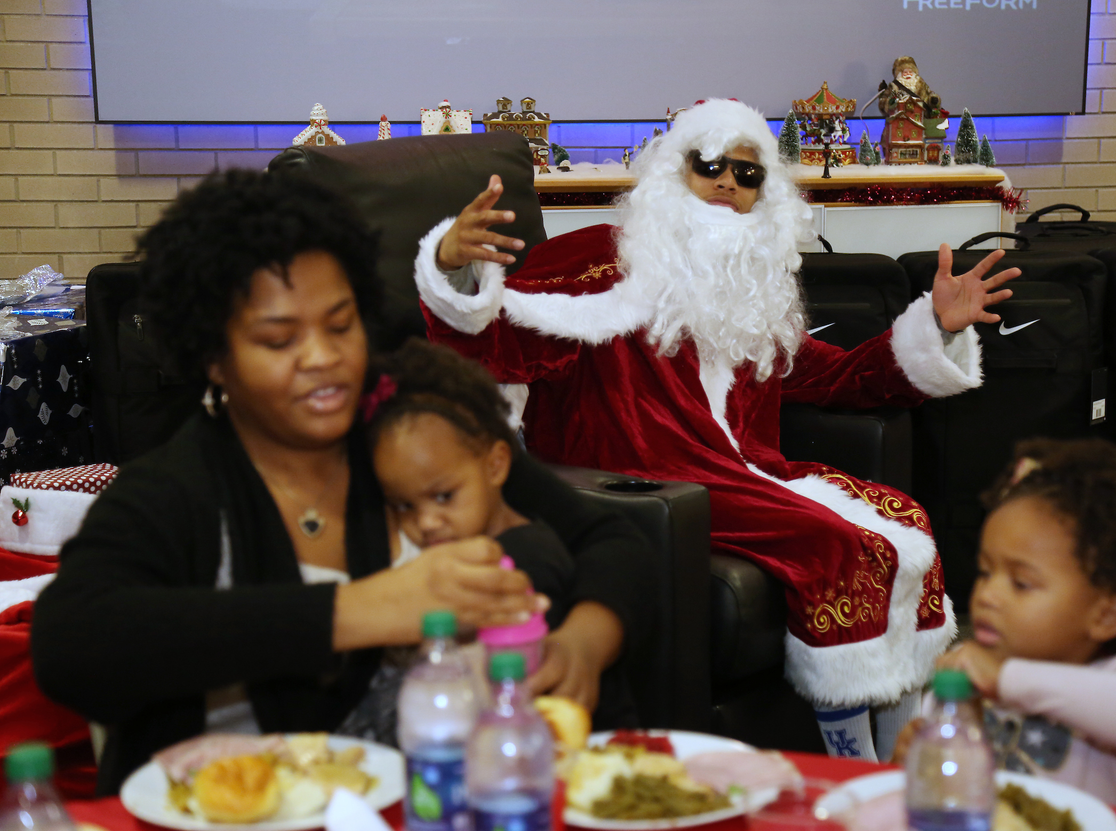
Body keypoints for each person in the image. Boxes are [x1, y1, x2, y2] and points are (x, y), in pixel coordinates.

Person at [414, 98, 1020, 759]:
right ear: (675, 171)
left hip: (743, 472)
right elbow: (496, 340)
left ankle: (904, 740)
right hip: (644, 483)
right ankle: (851, 759)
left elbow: (838, 377)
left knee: (902, 519)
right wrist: (450, 266)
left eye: (747, 171)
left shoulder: (750, 287)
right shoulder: (599, 260)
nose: (728, 181)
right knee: (838, 545)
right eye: (709, 164)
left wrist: (937, 326)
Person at [30, 169, 653, 794]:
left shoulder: (415, 419)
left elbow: (606, 540)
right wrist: (364, 610)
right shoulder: (180, 485)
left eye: (339, 324)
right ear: (213, 359)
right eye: (279, 339)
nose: (323, 357)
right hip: (239, 820)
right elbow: (73, 643)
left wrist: (583, 645)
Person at [895, 438, 1116, 811]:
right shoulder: (966, 668)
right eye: (985, 572)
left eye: (1021, 583)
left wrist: (1004, 679)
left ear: (1106, 615)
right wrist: (912, 764)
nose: (987, 595)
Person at [338, 338, 636, 742]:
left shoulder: (519, 563)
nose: (425, 522)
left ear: (497, 465)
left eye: (443, 497)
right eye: (403, 506)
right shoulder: (470, 535)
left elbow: (513, 698)